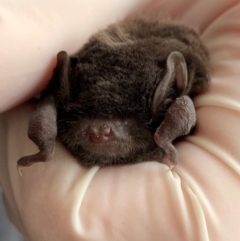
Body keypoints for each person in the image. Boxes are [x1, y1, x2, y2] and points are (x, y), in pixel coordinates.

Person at [1, 0, 240, 240]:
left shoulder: (175, 100)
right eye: (92, 119)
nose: (102, 132)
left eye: (123, 122)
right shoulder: (66, 91)